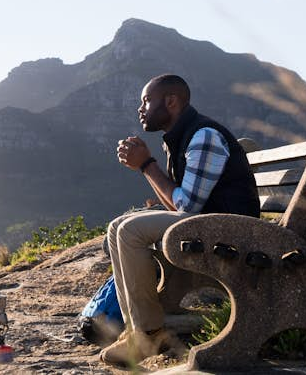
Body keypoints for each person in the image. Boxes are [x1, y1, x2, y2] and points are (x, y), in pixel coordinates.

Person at [100, 74, 260, 366]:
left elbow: (187, 206)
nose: (141, 109)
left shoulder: (204, 135)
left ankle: (149, 335)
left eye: (147, 101)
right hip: (209, 222)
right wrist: (146, 166)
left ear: (171, 102)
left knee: (130, 230)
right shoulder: (180, 138)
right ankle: (137, 329)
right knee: (117, 227)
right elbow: (179, 204)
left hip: (233, 231)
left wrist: (147, 166)